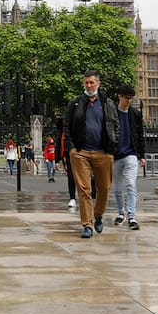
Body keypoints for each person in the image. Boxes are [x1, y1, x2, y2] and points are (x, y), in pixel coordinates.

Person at [63, 69, 118, 239]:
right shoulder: (76, 103)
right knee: (84, 189)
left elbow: (116, 126)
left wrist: (113, 147)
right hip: (81, 152)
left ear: (98, 84)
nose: (89, 85)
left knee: (104, 188)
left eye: (92, 82)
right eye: (86, 82)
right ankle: (87, 224)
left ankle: (99, 215)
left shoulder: (107, 103)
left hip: (103, 152)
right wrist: (71, 149)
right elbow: (67, 126)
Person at [111, 84, 146, 229]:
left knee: (131, 184)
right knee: (118, 187)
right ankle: (121, 213)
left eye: (131, 98)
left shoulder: (135, 114)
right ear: (119, 96)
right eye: (127, 98)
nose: (129, 101)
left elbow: (140, 134)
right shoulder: (112, 113)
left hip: (131, 154)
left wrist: (142, 155)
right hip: (115, 155)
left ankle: (132, 216)